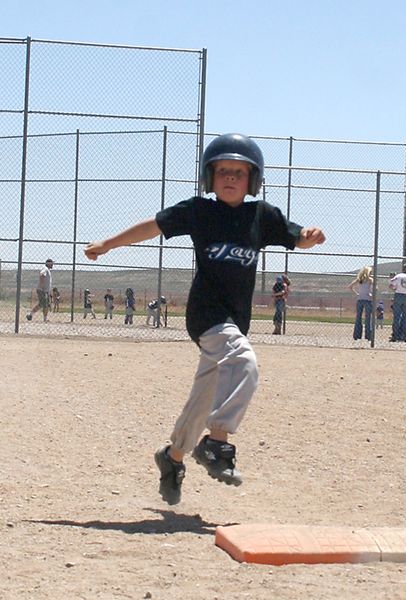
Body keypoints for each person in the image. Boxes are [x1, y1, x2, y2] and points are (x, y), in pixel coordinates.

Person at [84, 133, 325, 505]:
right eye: (223, 171)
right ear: (209, 177)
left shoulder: (261, 216)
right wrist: (108, 243)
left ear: (253, 179)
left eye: (239, 173)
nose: (230, 178)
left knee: (204, 398)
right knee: (243, 361)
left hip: (234, 320)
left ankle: (173, 456)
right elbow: (153, 226)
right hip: (207, 315)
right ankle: (217, 444)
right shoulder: (200, 211)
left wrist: (310, 237)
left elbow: (297, 238)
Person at [347, 266, 373, 341]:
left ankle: (357, 335)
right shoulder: (370, 280)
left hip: (360, 299)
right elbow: (374, 289)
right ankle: (368, 336)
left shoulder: (359, 279)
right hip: (368, 299)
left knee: (358, 317)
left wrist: (357, 294)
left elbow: (350, 287)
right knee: (368, 318)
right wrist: (371, 294)